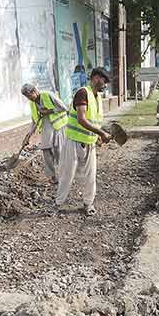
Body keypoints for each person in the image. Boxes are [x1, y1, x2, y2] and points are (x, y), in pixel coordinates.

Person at [56, 67, 111, 216]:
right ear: (95, 78)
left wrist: (98, 137)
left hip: (89, 143)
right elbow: (81, 119)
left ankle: (88, 203)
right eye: (104, 81)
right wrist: (101, 133)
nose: (105, 85)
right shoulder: (83, 93)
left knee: (90, 176)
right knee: (67, 175)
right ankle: (58, 203)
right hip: (74, 141)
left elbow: (95, 121)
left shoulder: (97, 97)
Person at [20, 83, 68, 183]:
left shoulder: (48, 95)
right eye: (27, 97)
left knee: (59, 152)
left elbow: (64, 107)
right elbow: (34, 120)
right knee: (46, 151)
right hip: (46, 129)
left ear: (34, 91)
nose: (29, 99)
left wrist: (49, 111)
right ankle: (52, 177)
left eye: (29, 96)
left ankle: (64, 176)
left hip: (58, 127)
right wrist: (29, 135)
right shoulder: (32, 103)